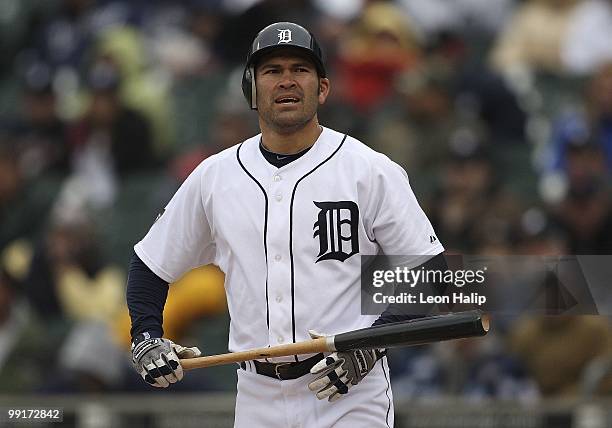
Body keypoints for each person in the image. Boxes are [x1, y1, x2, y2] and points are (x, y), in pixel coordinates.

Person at [127, 22, 444, 427]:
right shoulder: (215, 177)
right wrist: (147, 337)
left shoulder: (369, 170)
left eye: (300, 68)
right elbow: (150, 266)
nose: (286, 80)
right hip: (258, 397)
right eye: (272, 70)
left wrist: (367, 347)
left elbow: (429, 272)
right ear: (252, 90)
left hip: (349, 394)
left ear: (323, 88)